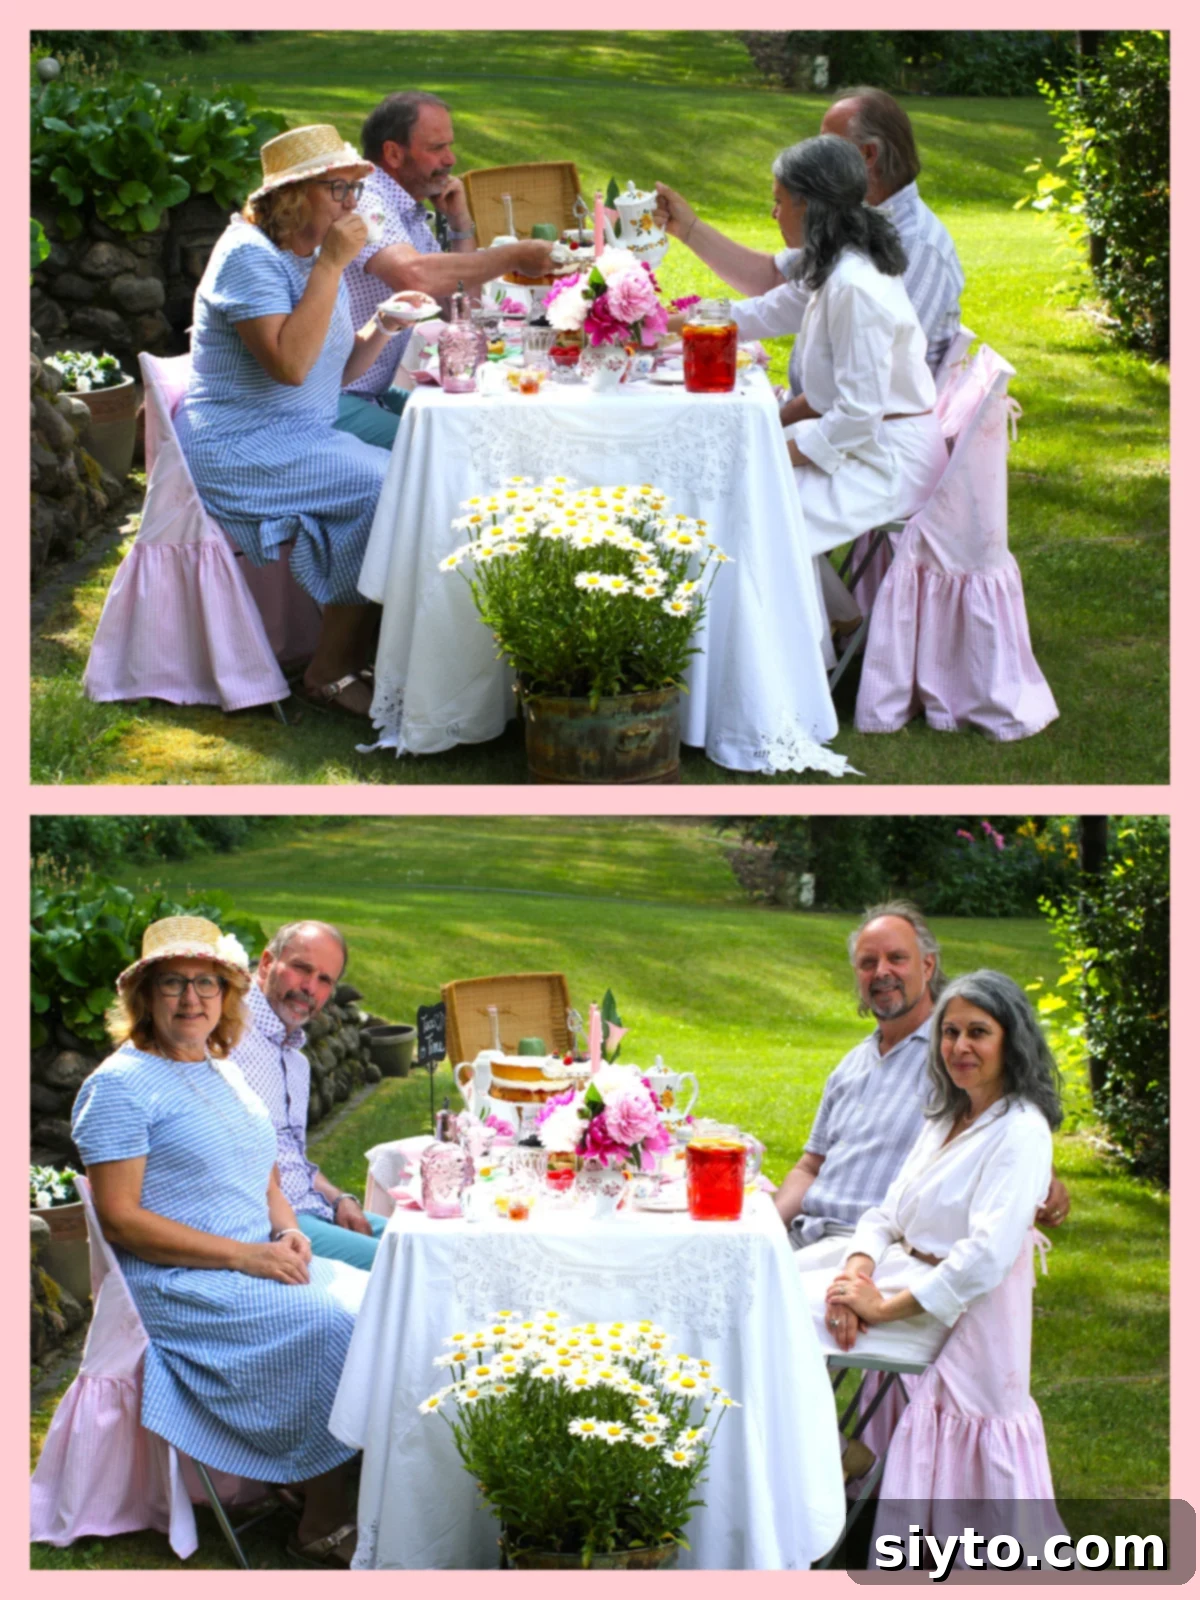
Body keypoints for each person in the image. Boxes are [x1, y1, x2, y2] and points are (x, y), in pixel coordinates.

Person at [70, 917, 367, 1565]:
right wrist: (246, 1255)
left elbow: (265, 1179)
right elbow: (121, 1220)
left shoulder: (223, 1068)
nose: (191, 999)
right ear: (144, 996)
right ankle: (324, 1514)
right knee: (329, 1323)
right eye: (172, 983)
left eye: (206, 983)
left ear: (227, 995)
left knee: (378, 1301)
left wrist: (287, 1230)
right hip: (180, 1283)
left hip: (254, 1260)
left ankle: (347, 1478)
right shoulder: (118, 1087)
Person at [175, 124, 431, 717]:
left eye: (354, 191)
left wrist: (384, 325)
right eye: (338, 189)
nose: (351, 204)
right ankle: (330, 669)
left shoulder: (312, 256)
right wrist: (334, 267)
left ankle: (369, 650)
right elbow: (289, 366)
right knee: (387, 488)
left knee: (406, 477)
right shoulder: (248, 256)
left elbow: (326, 375)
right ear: (292, 197)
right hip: (241, 445)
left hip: (300, 434)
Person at [774, 902, 1069, 1271]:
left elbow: (1005, 1121)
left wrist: (1047, 1177)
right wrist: (769, 1228)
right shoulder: (853, 1063)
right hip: (805, 1235)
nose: (881, 972)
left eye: (897, 958)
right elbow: (810, 1167)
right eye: (868, 963)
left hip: (867, 1248)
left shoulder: (954, 1057)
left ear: (927, 966)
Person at [809, 970, 1062, 1366]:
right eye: (949, 1032)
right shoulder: (947, 1115)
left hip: (935, 1314)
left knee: (777, 1318)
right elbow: (886, 1214)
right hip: (890, 1272)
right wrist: (853, 1281)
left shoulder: (1022, 1130)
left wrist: (879, 1309)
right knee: (763, 1284)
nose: (960, 1046)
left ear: (1011, 1043)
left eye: (978, 1032)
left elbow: (984, 1258)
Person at [655, 87, 964, 372]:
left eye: (826, 143)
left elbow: (875, 380)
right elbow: (777, 284)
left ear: (867, 155)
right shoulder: (854, 220)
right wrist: (688, 229)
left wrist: (781, 423)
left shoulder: (917, 244)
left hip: (867, 426)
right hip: (821, 415)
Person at [338, 91, 560, 446]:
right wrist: (514, 256)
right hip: (333, 401)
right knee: (447, 450)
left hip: (368, 394)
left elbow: (459, 307)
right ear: (393, 153)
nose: (451, 158)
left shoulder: (407, 211)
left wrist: (460, 223)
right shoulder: (364, 199)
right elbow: (414, 276)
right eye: (437, 148)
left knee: (485, 428)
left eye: (449, 146)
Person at [232, 921, 387, 1270]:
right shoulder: (228, 1033)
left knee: (422, 1243)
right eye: (301, 969)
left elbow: (292, 1157)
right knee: (402, 1267)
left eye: (324, 980)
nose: (309, 988)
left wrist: (339, 1198)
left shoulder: (295, 1063)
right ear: (268, 962)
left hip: (314, 1208)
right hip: (267, 1226)